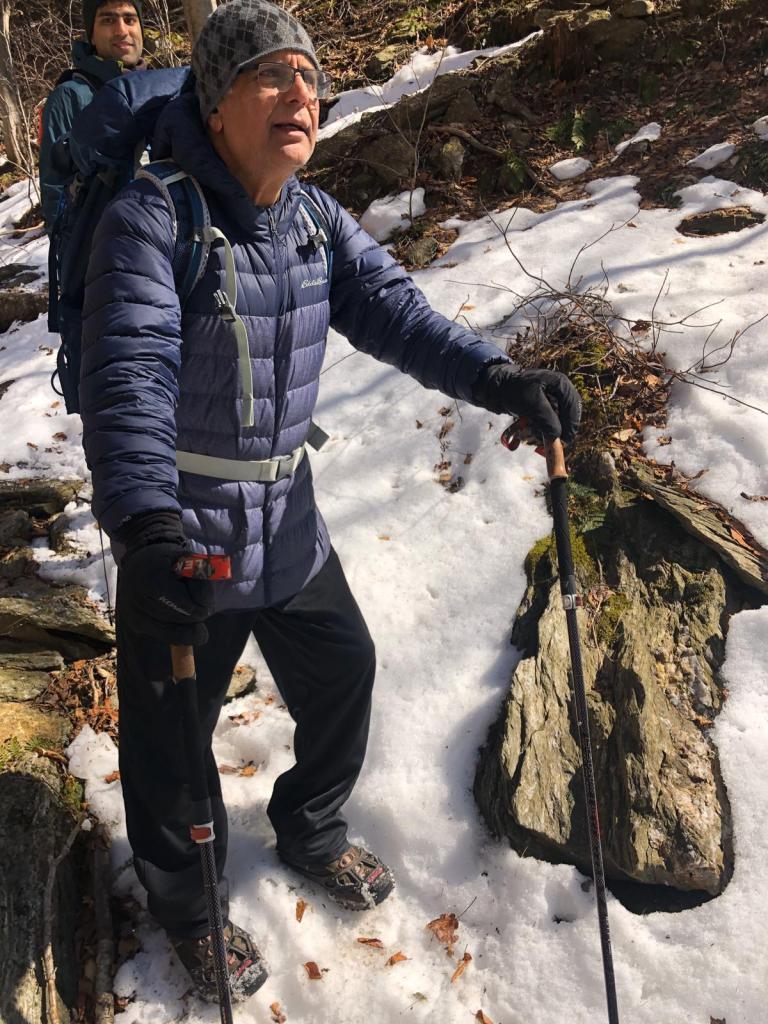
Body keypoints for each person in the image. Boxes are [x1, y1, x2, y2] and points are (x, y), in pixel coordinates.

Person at [79, 0, 581, 1005]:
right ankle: (188, 905)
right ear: (216, 103)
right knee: (173, 744)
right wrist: (143, 527)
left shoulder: (312, 219)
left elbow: (397, 313)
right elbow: (128, 378)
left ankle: (310, 826)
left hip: (288, 524)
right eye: (271, 74)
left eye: (309, 77)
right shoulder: (152, 218)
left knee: (344, 670)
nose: (300, 94)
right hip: (183, 535)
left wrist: (500, 380)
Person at [39, 0, 144, 231]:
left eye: (130, 19)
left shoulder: (163, 89)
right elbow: (55, 194)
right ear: (92, 36)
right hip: (103, 245)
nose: (122, 30)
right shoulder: (70, 97)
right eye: (108, 20)